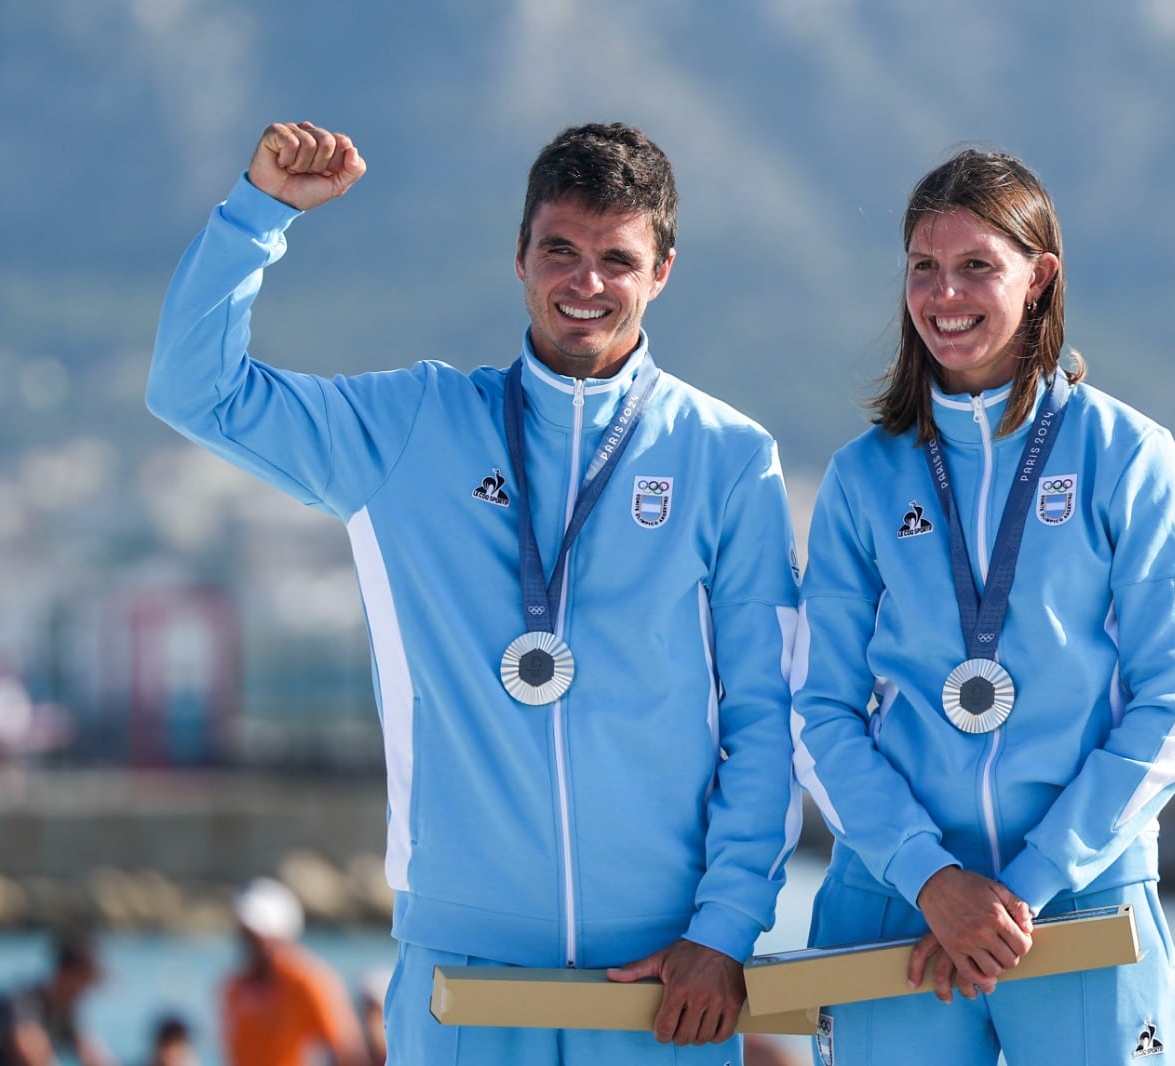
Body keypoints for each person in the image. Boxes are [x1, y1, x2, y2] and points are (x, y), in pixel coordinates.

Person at [148, 120, 801, 1064]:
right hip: (464, 974)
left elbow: (767, 716)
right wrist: (259, 214)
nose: (586, 283)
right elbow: (193, 391)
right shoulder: (410, 428)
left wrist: (726, 931)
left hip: (664, 975)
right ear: (520, 257)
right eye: (560, 251)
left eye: (617, 259)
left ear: (661, 270)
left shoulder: (729, 459)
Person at [790, 148, 1175, 1064]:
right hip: (892, 912)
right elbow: (819, 710)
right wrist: (931, 878)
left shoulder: (1129, 457)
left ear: (1040, 276)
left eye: (977, 264)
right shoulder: (864, 479)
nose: (946, 293)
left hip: (1079, 907)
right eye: (923, 267)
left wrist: (1019, 889)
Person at [220, 877, 366, 1066]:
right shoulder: (234, 988)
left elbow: (348, 1051)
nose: (248, 940)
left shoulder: (308, 981)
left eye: (255, 933)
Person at [0, 931, 114, 1066]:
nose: (88, 990)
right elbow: (30, 1054)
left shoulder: (66, 1015)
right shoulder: (25, 1002)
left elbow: (94, 1055)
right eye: (85, 979)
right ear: (65, 974)